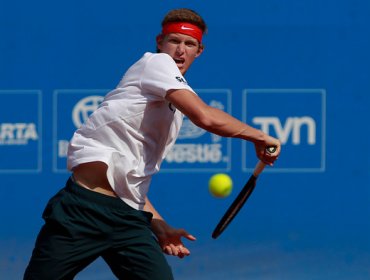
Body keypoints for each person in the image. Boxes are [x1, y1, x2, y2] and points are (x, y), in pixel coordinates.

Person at [24, 8, 281, 280]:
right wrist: (261, 136)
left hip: (128, 219)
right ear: (160, 42)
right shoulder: (155, 64)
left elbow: (130, 179)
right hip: (82, 212)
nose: (180, 50)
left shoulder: (172, 115)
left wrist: (160, 226)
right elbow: (206, 117)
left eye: (189, 44)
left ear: (199, 51)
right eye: (174, 41)